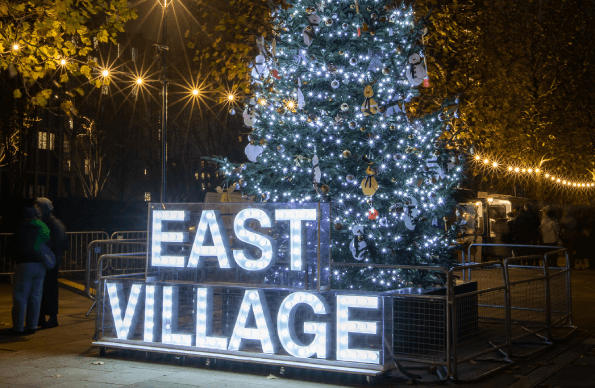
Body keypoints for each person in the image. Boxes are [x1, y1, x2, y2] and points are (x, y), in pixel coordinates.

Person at [11, 205, 51, 335]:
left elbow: (14, 245)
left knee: (20, 297)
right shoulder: (42, 227)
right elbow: (47, 241)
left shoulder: (21, 227)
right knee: (35, 296)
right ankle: (32, 326)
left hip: (24, 263)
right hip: (40, 264)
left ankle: (18, 327)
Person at [35, 197, 68, 329]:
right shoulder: (56, 223)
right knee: (49, 289)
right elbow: (65, 244)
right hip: (53, 259)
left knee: (48, 289)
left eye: (38, 207)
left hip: (49, 260)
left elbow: (52, 242)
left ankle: (50, 317)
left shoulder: (49, 224)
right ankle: (44, 316)